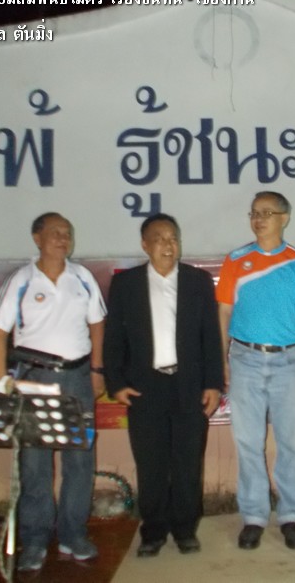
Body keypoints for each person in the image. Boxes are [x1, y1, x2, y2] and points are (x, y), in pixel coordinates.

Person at [0, 212, 106, 572]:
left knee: (80, 461)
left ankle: (73, 534)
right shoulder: (21, 280)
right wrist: (2, 382)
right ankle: (36, 539)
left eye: (67, 233)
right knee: (35, 463)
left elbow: (97, 324)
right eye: (55, 232)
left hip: (78, 378)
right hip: (32, 379)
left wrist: (97, 370)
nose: (63, 238)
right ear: (37, 239)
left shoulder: (82, 277)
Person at [103, 213, 223, 557]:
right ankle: (153, 531)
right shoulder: (126, 284)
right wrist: (116, 383)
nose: (168, 245)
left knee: (187, 463)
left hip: (189, 385)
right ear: (145, 245)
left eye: (173, 238)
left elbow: (210, 336)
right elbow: (114, 339)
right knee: (151, 463)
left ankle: (185, 529)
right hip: (145, 388)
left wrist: (213, 383)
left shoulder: (197, 281)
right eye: (160, 239)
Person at [217, 191, 295, 550]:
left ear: (284, 218)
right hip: (244, 360)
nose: (259, 219)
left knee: (290, 445)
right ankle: (254, 516)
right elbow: (224, 313)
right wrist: (221, 359)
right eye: (254, 213)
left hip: (290, 363)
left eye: (267, 213)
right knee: (248, 443)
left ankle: (290, 515)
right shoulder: (236, 260)